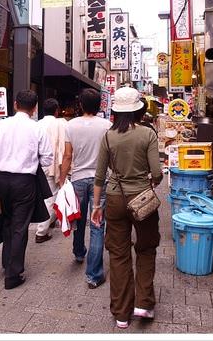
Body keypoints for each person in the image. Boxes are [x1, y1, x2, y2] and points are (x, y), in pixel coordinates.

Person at [90, 87, 163, 329]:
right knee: (146, 247)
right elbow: (157, 173)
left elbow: (99, 176)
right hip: (142, 198)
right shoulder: (147, 134)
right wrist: (153, 181)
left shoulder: (109, 136)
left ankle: (122, 314)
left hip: (114, 198)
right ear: (139, 110)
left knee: (119, 254)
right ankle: (143, 303)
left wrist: (96, 206)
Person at [0, 90, 53, 290]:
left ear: (14, 104)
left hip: (2, 179)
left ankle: (7, 262)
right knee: (20, 226)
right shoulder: (37, 129)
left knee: (8, 220)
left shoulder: (0, 126)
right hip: (24, 181)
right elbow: (47, 158)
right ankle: (13, 274)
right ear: (35, 108)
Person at [58, 88, 111, 289]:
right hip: (101, 181)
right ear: (99, 105)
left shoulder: (71, 126)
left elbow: (67, 155)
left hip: (78, 178)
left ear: (80, 105)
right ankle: (94, 275)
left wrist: (63, 179)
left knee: (77, 219)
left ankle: (79, 252)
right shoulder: (107, 126)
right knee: (97, 225)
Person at [35, 98, 68, 243]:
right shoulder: (61, 124)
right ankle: (41, 231)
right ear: (56, 110)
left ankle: (51, 220)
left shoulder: (37, 124)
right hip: (56, 165)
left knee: (46, 196)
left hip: (39, 165)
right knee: (51, 197)